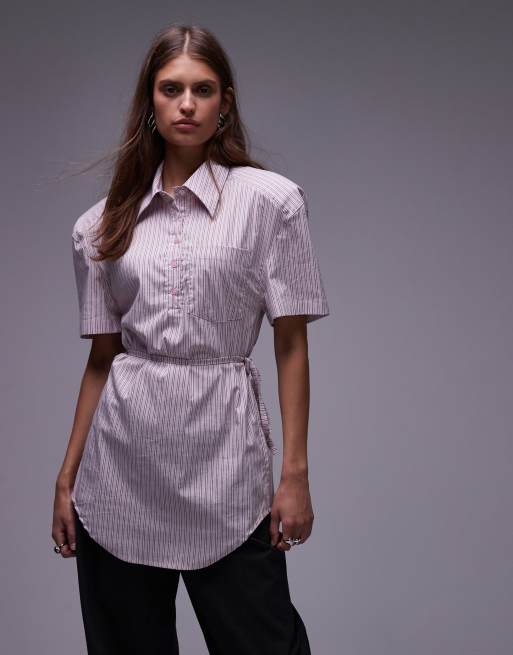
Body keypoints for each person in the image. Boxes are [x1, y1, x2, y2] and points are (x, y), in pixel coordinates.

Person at [51, 22, 330, 654]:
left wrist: (295, 474)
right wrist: (67, 479)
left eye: (202, 90)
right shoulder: (101, 225)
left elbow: (291, 343)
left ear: (224, 102)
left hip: (225, 469)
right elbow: (102, 360)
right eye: (170, 88)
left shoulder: (271, 203)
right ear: (149, 101)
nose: (186, 104)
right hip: (119, 476)